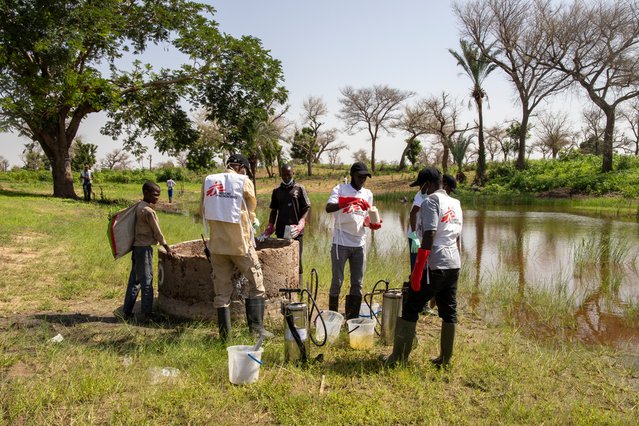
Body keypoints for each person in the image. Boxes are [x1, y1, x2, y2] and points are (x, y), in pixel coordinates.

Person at [387, 167, 463, 368]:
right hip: (453, 263)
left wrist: (418, 269)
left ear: (428, 184)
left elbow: (429, 234)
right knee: (449, 310)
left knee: (411, 305)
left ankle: (398, 357)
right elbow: (456, 235)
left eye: (421, 186)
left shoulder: (431, 201)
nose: (421, 190)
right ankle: (445, 359)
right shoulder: (455, 203)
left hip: (434, 264)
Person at [201, 153, 267, 341]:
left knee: (222, 293)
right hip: (240, 245)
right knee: (257, 286)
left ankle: (225, 339)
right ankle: (256, 332)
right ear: (240, 167)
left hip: (217, 246)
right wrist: (252, 221)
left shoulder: (209, 181)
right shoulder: (243, 181)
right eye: (244, 169)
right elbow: (251, 207)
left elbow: (203, 210)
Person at [325, 162, 382, 319]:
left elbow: (364, 219)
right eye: (360, 177)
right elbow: (328, 208)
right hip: (341, 242)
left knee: (357, 283)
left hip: (359, 244)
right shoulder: (340, 189)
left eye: (365, 177)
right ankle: (333, 317)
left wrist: (372, 224)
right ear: (352, 176)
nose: (362, 179)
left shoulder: (368, 193)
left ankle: (352, 319)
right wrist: (350, 201)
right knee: (337, 281)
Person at [122, 181, 175, 322]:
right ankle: (147, 315)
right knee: (147, 281)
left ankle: (126, 311)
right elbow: (157, 232)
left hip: (137, 248)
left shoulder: (139, 206)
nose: (157, 198)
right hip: (144, 249)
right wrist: (167, 247)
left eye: (158, 195)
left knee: (135, 280)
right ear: (146, 192)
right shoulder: (149, 211)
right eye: (154, 194)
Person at [257, 164, 310, 286]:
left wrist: (301, 222)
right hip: (282, 230)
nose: (286, 177)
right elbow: (274, 210)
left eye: (288, 174)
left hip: (295, 231)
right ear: (280, 175)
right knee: (282, 259)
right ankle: (283, 286)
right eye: (284, 174)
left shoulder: (299, 189)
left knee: (297, 260)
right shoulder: (277, 191)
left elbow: (306, 208)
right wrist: (270, 226)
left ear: (293, 173)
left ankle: (298, 287)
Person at [407, 169, 438, 316]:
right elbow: (413, 213)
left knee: (425, 270)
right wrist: (413, 236)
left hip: (424, 238)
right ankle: (419, 303)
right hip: (416, 239)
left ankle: (421, 301)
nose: (420, 188)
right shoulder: (421, 196)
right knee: (417, 269)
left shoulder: (430, 196)